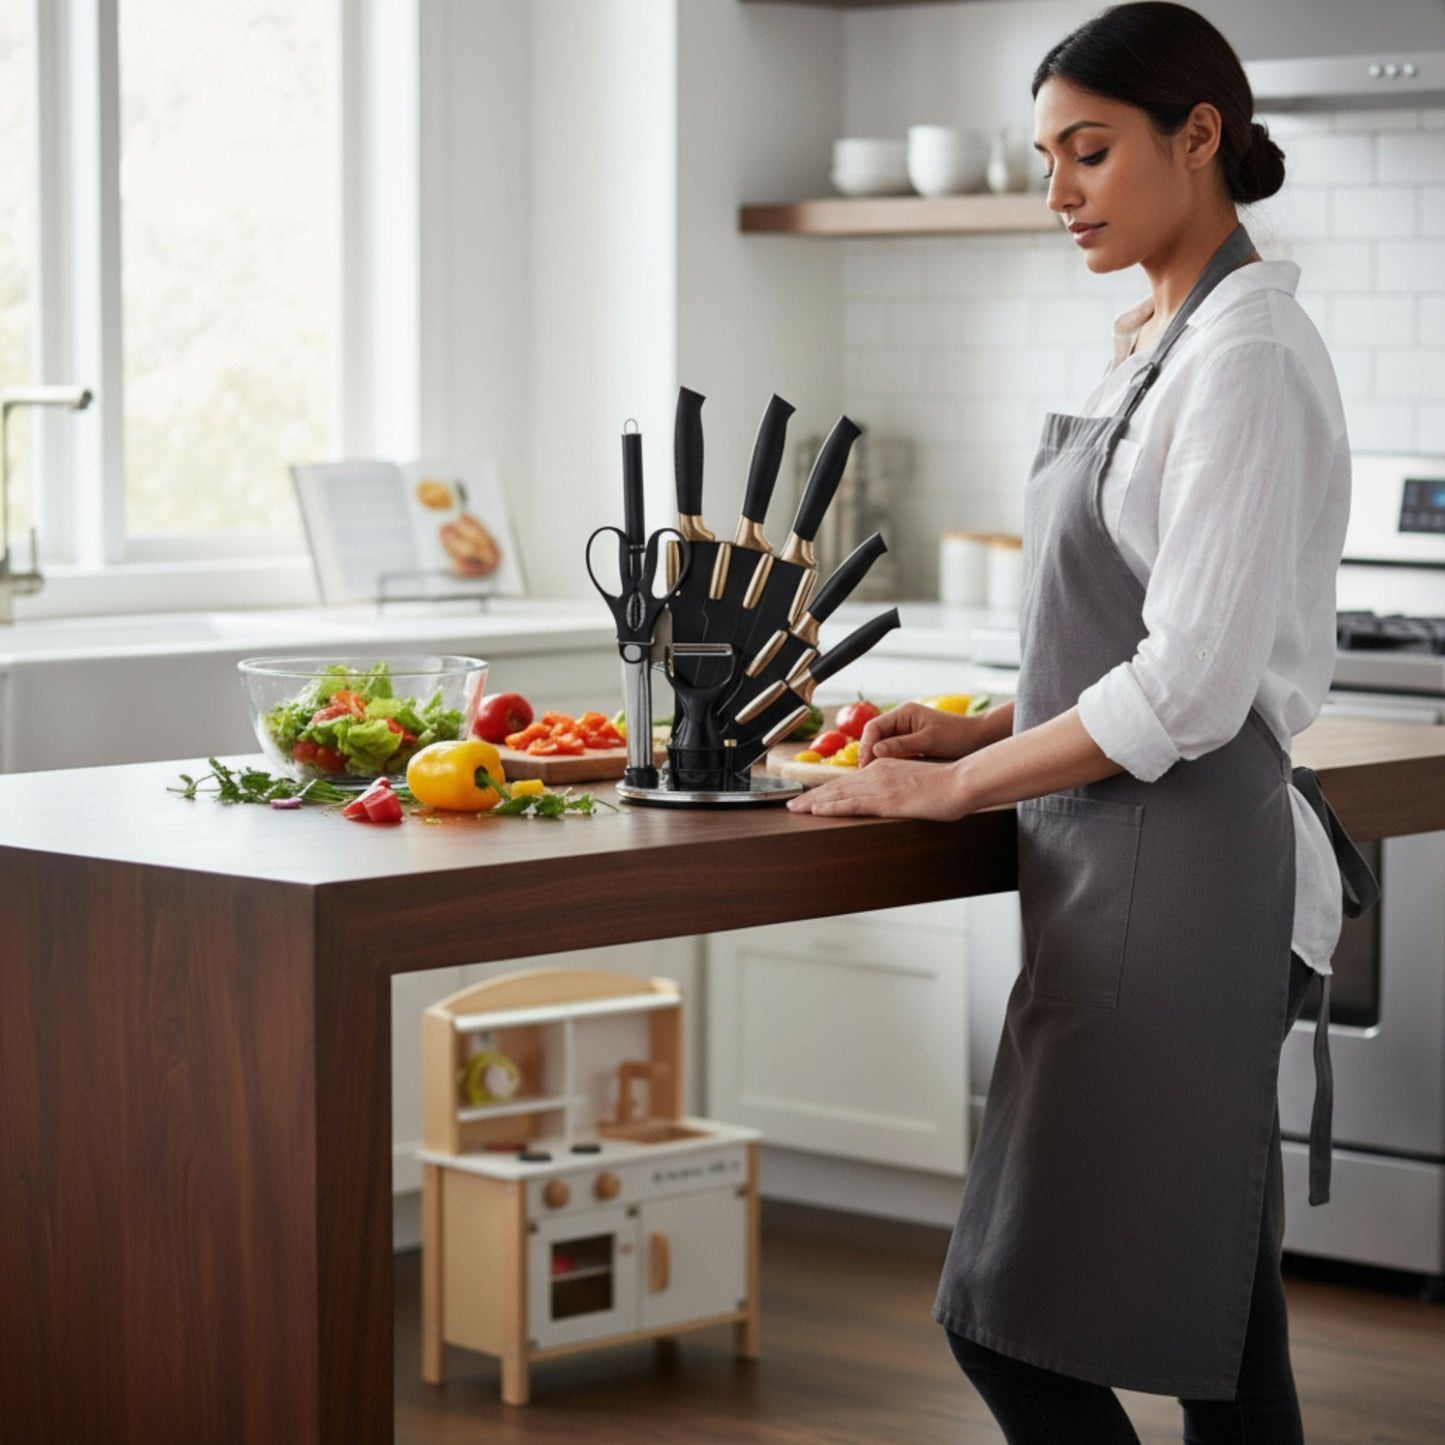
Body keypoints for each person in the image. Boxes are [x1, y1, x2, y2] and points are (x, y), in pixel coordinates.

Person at [787, 3, 1378, 1440]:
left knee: (1010, 1318)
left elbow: (1184, 688)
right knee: (1224, 1349)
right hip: (1118, 863)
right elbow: (1128, 640)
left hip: (1181, 887)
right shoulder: (1164, 338)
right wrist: (963, 720)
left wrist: (961, 786)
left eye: (1088, 152)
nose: (1055, 192)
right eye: (1045, 155)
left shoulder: (1241, 356)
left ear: (1197, 137)